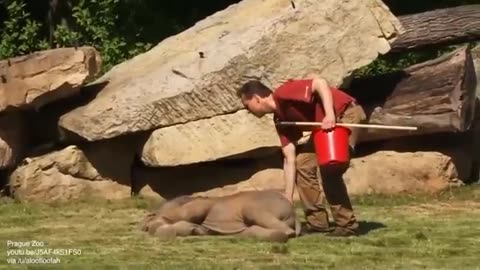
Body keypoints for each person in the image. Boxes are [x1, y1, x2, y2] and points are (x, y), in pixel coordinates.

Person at [236, 76, 367, 237]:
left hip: (344, 113)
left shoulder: (283, 93)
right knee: (303, 164)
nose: (248, 111)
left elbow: (320, 83)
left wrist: (329, 114)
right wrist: (288, 198)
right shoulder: (280, 120)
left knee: (330, 168)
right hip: (324, 128)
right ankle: (317, 223)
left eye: (246, 106)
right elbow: (289, 159)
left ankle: (347, 224)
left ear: (256, 99)